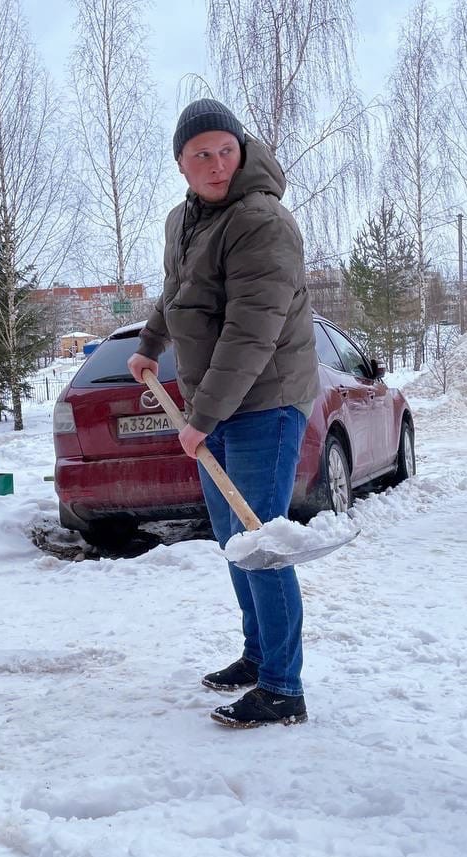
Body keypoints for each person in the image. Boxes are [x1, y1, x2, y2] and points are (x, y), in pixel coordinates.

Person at [126, 98, 319, 728]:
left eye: (225, 151)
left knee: (262, 542)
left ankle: (284, 689)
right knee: (236, 542)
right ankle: (258, 654)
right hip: (219, 402)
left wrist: (200, 416)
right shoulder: (184, 220)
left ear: (241, 150)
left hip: (264, 400)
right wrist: (149, 347)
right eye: (200, 154)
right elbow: (177, 293)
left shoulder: (262, 221)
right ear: (180, 163)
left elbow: (250, 333)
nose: (215, 165)